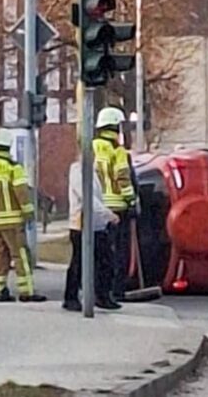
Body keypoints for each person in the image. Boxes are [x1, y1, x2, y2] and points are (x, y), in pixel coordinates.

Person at [0, 129, 46, 303]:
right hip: (12, 221)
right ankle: (26, 291)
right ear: (8, 147)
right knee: (20, 255)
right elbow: (21, 192)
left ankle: (0, 290)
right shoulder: (13, 168)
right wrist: (28, 213)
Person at [65, 157, 121, 311]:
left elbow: (97, 198)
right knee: (79, 263)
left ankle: (102, 296)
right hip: (81, 225)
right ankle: (71, 298)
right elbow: (87, 197)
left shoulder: (93, 172)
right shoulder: (78, 172)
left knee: (105, 262)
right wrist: (108, 214)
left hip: (97, 225)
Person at [93, 106, 136, 301]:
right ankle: (117, 290)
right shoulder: (117, 151)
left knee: (100, 251)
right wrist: (131, 200)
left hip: (97, 207)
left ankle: (98, 288)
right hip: (117, 207)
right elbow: (123, 178)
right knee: (119, 252)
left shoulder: (92, 147)